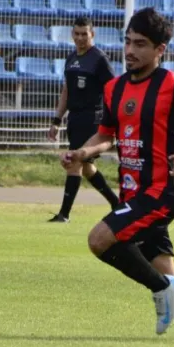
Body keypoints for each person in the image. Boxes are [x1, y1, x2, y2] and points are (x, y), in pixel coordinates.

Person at [62, 8, 174, 347]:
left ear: (160, 50)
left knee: (99, 239)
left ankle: (159, 289)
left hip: (163, 193)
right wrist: (83, 152)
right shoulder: (115, 88)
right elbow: (106, 135)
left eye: (140, 44)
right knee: (169, 272)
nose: (130, 50)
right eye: (127, 41)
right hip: (134, 196)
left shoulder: (173, 86)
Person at [47, 16, 120, 222]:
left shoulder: (99, 59)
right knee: (87, 167)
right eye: (77, 34)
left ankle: (64, 214)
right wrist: (56, 120)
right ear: (72, 34)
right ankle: (116, 204)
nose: (80, 38)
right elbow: (66, 91)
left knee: (74, 162)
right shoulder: (71, 59)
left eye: (84, 34)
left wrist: (111, 118)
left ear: (92, 34)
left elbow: (113, 90)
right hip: (75, 118)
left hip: (92, 119)